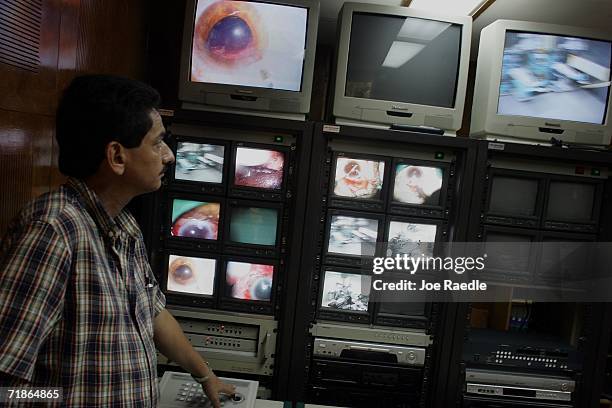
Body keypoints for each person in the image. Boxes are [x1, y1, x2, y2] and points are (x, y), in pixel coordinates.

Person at [0, 75, 235, 407]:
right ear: (117, 156)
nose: (168, 156)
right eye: (157, 143)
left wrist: (205, 376)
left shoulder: (124, 226)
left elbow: (152, 314)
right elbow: (5, 383)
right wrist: (65, 399)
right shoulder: (54, 229)